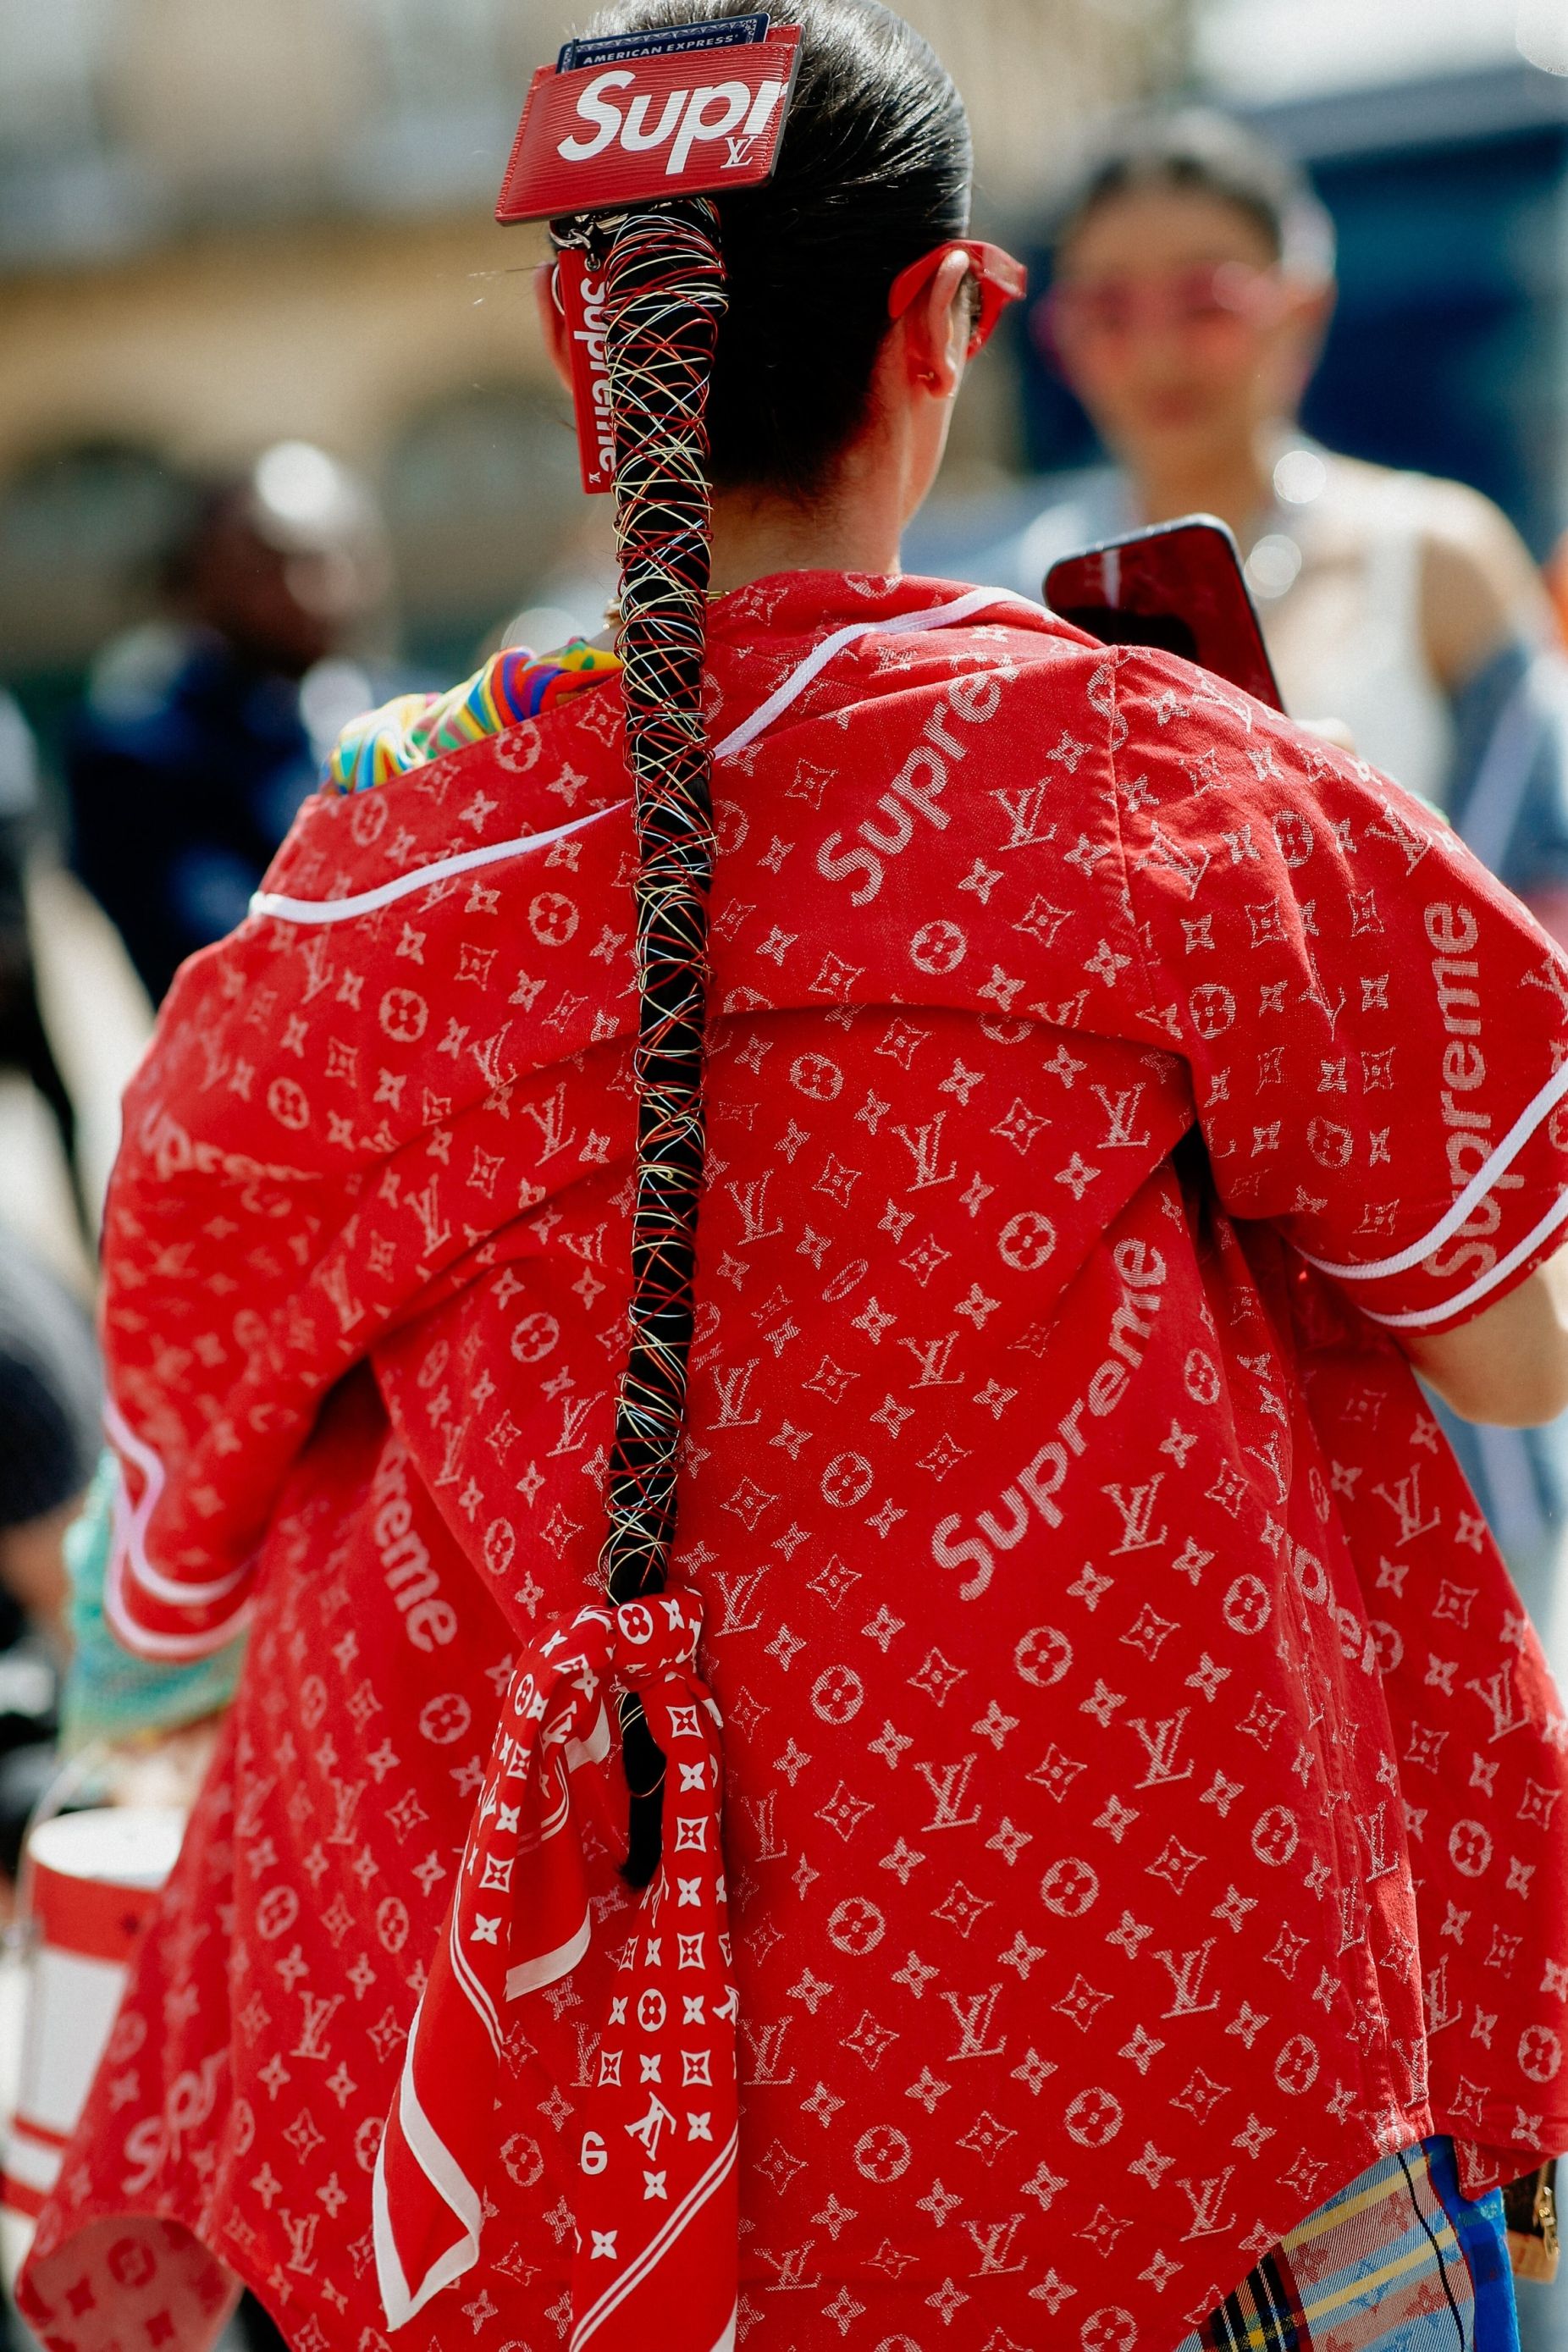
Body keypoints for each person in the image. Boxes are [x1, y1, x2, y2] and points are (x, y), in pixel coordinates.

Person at [15, 5, 1568, 2346]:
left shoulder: (360, 884)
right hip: (1166, 2067)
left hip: (557, 2137)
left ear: (579, 361)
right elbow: (1516, 1335)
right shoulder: (1160, 770)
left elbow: (180, 1510)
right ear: (946, 318)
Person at [986, 108, 1568, 1648]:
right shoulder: (1015, 612)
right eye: (1110, 306)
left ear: (1297, 304)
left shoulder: (1429, 553)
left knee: (1479, 1678)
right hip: (1166, 1272)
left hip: (1428, 1228)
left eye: (1206, 297)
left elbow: (1538, 895)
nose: (1158, 346)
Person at [65, 444, 388, 1005]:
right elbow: (232, 952)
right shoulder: (138, 752)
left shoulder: (410, 703)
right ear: (199, 578)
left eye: (336, 554)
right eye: (277, 560)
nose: (316, 585)